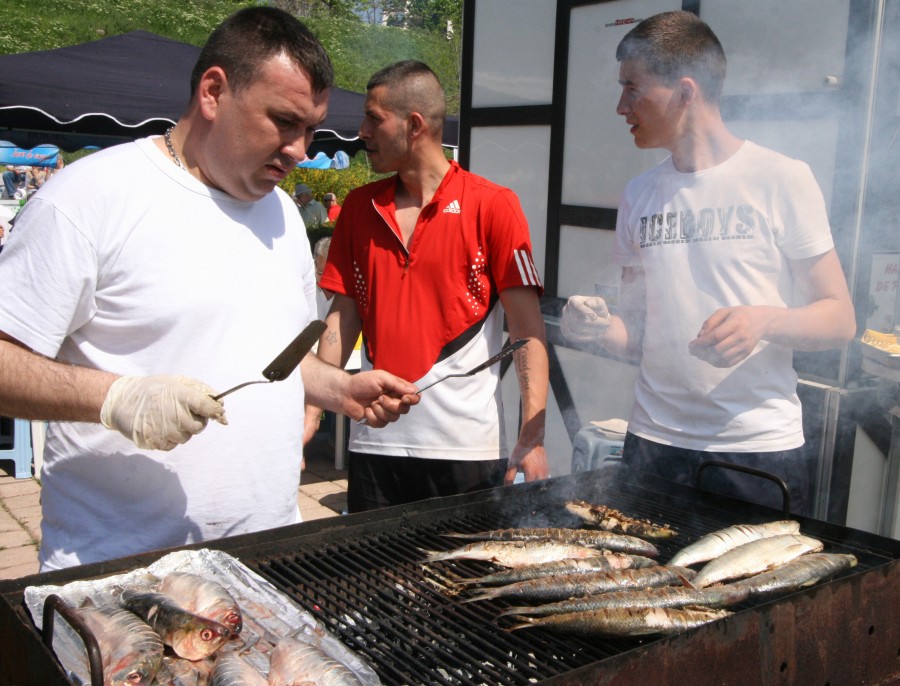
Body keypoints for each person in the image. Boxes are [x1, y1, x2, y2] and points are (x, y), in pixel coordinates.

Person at [0, 6, 418, 571]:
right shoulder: (87, 198)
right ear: (214, 92)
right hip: (120, 572)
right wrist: (117, 398)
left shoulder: (284, 217)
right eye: (284, 121)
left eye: (311, 128)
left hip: (265, 558)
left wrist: (339, 389)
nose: (301, 149)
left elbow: (276, 361)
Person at [561, 11, 856, 515]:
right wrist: (591, 329)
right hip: (653, 444)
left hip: (755, 451)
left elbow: (840, 318)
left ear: (685, 90)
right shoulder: (640, 194)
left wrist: (763, 320)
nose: (620, 106)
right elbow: (635, 333)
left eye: (632, 88)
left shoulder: (781, 178)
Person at [313, 60, 549, 513]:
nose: (361, 130)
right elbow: (343, 315)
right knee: (374, 582)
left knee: (464, 583)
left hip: (466, 451)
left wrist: (532, 435)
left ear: (414, 124)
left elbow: (527, 329)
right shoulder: (359, 208)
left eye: (374, 118)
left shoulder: (494, 205)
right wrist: (311, 410)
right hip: (374, 445)